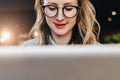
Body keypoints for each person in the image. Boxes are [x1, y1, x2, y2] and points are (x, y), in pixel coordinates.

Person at [22, 0, 100, 46]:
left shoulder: (98, 52)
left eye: (68, 9)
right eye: (51, 8)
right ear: (42, 8)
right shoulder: (27, 49)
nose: (60, 18)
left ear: (79, 10)